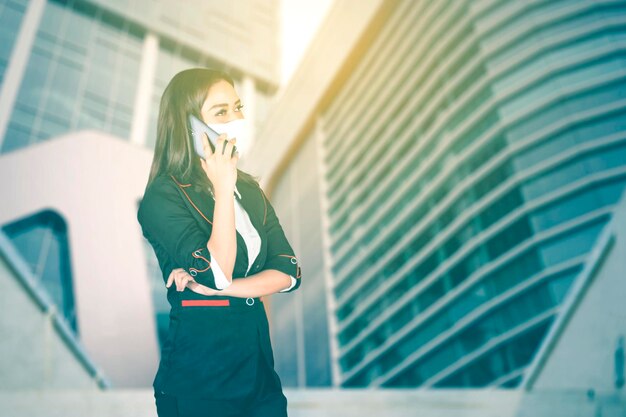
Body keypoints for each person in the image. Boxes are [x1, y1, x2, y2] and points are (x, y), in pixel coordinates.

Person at [136, 68, 302, 417]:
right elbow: (217, 270)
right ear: (191, 124)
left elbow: (289, 273)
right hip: (200, 383)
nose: (237, 119)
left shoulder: (251, 190)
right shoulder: (163, 197)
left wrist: (222, 288)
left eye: (238, 108)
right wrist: (223, 187)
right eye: (222, 112)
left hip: (260, 380)